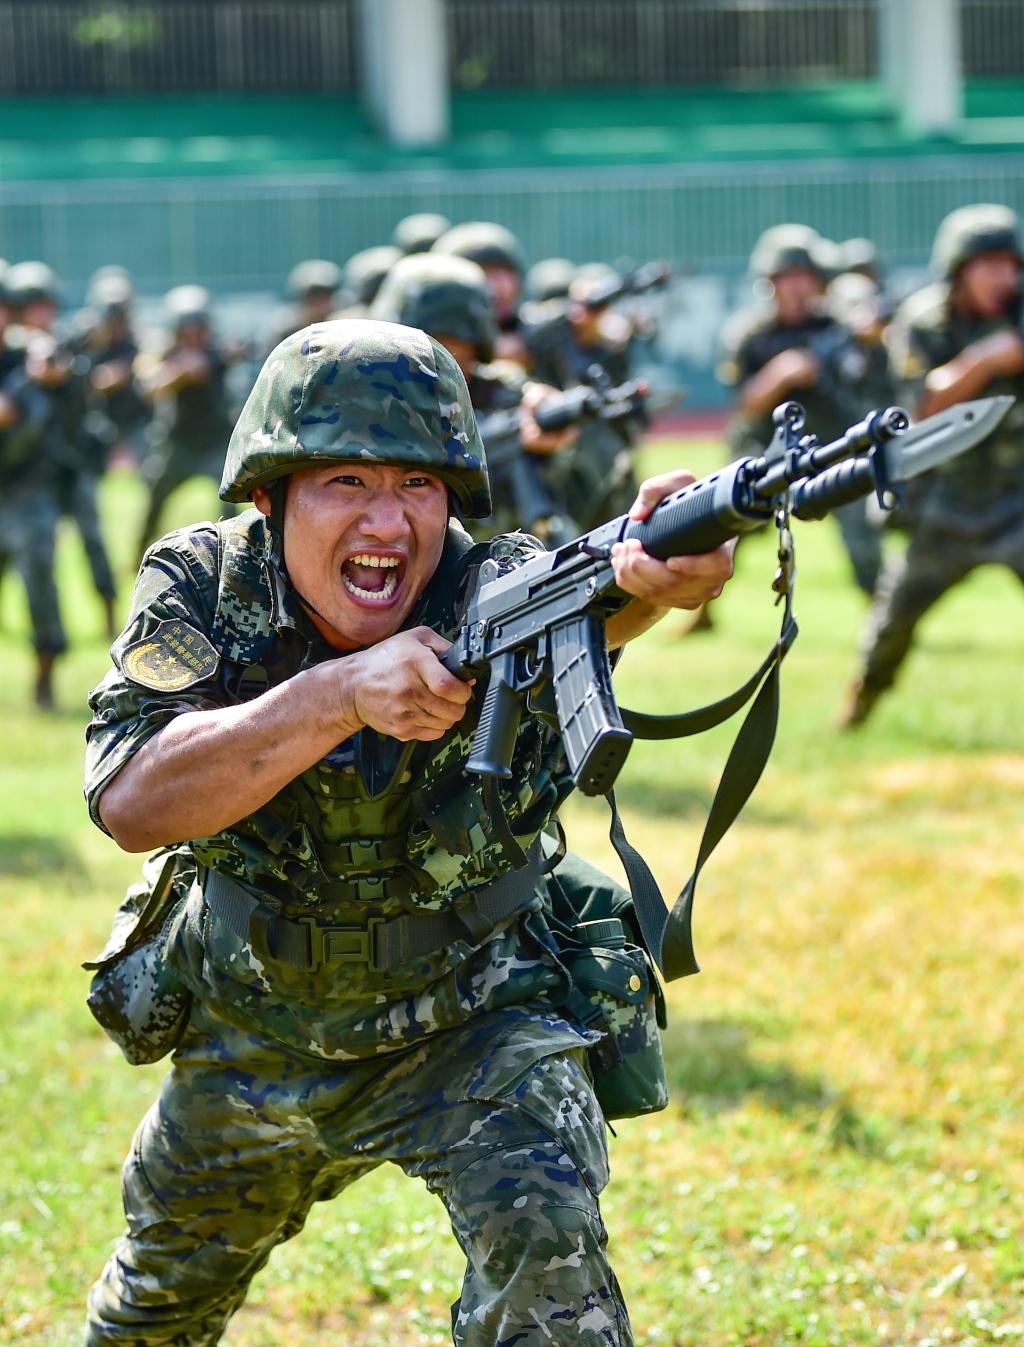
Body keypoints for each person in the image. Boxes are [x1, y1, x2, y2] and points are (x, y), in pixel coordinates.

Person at [82, 318, 733, 1346]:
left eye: (419, 485)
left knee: (551, 1284)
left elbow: (592, 602)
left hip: (470, 1021)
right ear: (271, 493)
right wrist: (336, 695)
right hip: (251, 1022)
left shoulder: (492, 583)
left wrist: (654, 581)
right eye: (347, 480)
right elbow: (132, 803)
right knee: (151, 1315)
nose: (388, 521)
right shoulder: (202, 584)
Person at [840, 203, 1024, 727]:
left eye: (1010, 264)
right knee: (895, 618)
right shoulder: (926, 321)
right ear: (958, 268)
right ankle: (861, 702)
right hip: (950, 503)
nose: (1003, 277)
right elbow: (920, 407)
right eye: (988, 264)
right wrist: (987, 360)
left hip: (1020, 496)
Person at [717, 223, 884, 601]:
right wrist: (781, 374)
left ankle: (880, 608)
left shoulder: (839, 328)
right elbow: (743, 405)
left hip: (833, 447)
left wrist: (873, 340)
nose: (797, 287)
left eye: (805, 277)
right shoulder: (750, 334)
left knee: (862, 529)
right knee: (722, 523)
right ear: (769, 282)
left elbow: (870, 380)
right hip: (766, 450)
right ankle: (702, 610)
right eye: (787, 277)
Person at [370, 250, 579, 542]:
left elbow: (526, 396)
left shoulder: (496, 387)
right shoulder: (369, 400)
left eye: (458, 353)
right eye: (428, 351)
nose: (443, 368)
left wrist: (543, 407)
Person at [135, 284, 236, 561]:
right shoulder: (163, 354)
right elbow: (149, 385)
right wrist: (180, 373)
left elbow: (236, 354)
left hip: (215, 442)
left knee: (230, 504)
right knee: (154, 502)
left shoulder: (218, 351)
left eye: (198, 328)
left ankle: (234, 561)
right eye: (186, 330)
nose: (193, 336)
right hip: (178, 444)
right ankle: (139, 559)